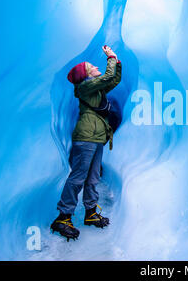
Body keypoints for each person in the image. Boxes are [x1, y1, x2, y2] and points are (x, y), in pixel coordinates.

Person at [50, 45, 122, 241]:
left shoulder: (94, 89)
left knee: (92, 178)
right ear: (86, 74)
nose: (95, 66)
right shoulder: (85, 86)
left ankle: (90, 213)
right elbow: (106, 77)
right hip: (86, 138)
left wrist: (118, 64)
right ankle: (63, 217)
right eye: (91, 66)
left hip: (97, 137)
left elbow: (113, 80)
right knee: (78, 177)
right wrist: (111, 58)